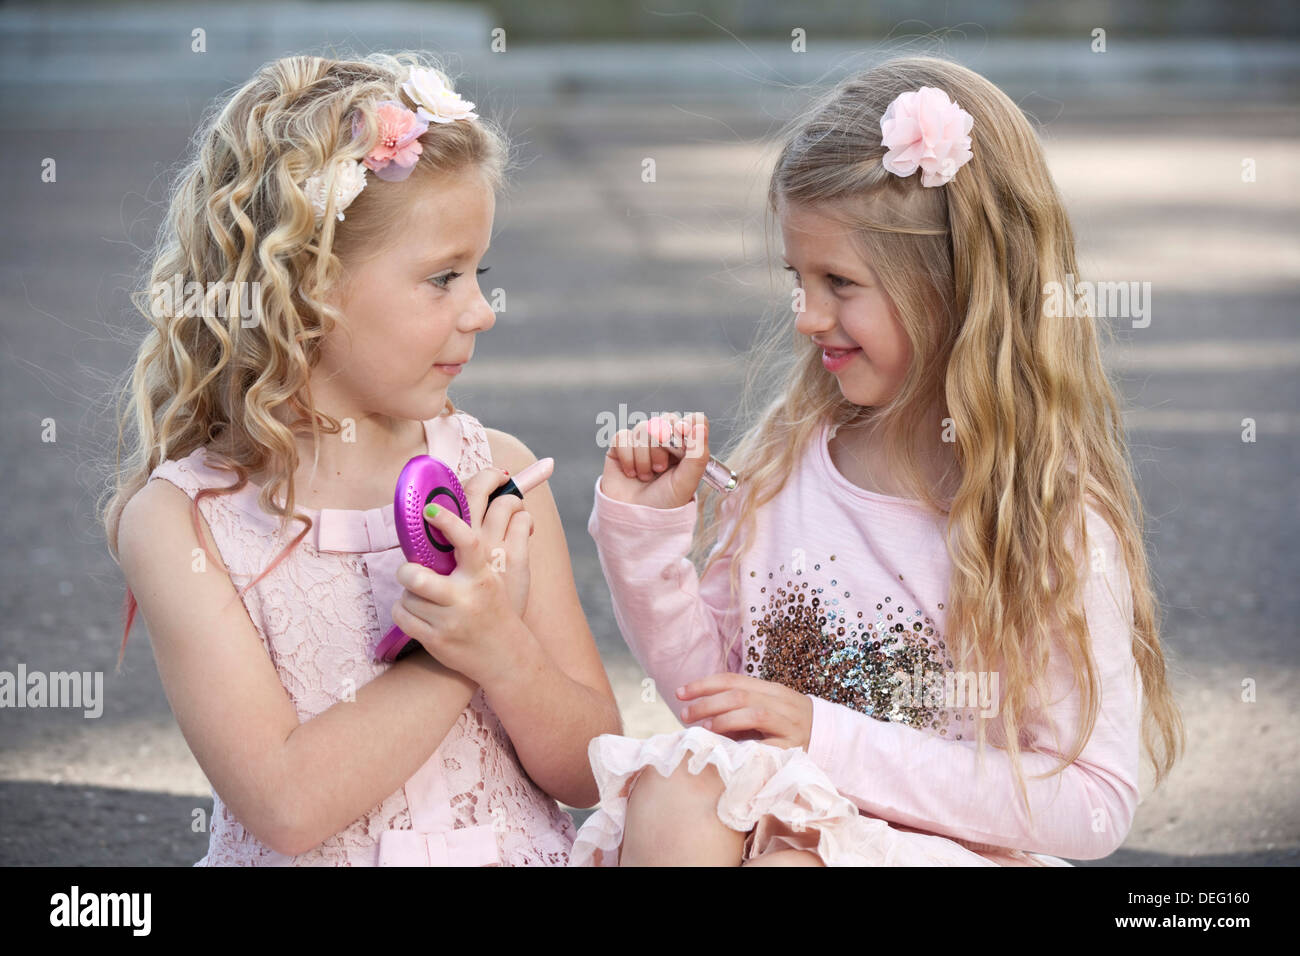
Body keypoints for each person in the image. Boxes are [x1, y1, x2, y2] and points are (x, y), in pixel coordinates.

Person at [570, 55, 1183, 866]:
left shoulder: (1047, 523)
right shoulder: (792, 465)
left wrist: (829, 740)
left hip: (939, 851)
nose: (807, 315)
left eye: (839, 282)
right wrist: (644, 537)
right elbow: (720, 700)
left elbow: (1094, 805)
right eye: (798, 277)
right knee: (680, 787)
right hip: (779, 818)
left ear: (953, 287)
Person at [100, 52, 620, 866]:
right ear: (303, 289)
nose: (481, 310)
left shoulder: (495, 475)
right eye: (442, 278)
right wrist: (461, 657)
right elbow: (286, 802)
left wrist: (508, 657)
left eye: (478, 273)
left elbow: (592, 768)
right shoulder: (183, 523)